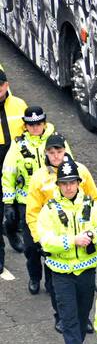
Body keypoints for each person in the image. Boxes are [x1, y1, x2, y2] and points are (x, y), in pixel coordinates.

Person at [34, 158, 97, 344]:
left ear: (79, 183)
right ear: (58, 185)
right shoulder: (49, 210)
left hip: (86, 271)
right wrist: (72, 241)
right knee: (68, 317)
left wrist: (93, 236)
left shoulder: (91, 205)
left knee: (83, 312)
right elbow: (46, 240)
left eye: (72, 182)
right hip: (61, 273)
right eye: (64, 183)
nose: (68, 187)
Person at [24, 134, 97, 328]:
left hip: (81, 238)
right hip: (55, 240)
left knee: (85, 284)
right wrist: (39, 240)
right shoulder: (39, 177)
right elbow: (32, 212)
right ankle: (60, 316)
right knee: (54, 284)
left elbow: (95, 199)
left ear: (65, 151)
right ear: (46, 154)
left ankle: (84, 318)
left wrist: (93, 230)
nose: (56, 156)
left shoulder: (81, 171)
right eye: (51, 152)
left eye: (59, 151)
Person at [3, 105, 55, 294]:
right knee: (31, 247)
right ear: (25, 126)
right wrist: (9, 203)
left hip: (52, 203)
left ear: (44, 123)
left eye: (38, 124)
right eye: (31, 125)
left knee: (51, 246)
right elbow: (8, 173)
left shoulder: (55, 142)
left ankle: (51, 281)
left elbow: (69, 170)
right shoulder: (18, 146)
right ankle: (35, 277)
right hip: (27, 204)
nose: (35, 128)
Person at [0, 66, 28, 263]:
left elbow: (33, 131)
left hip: (14, 163)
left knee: (14, 211)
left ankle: (11, 233)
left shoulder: (19, 105)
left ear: (6, 85)